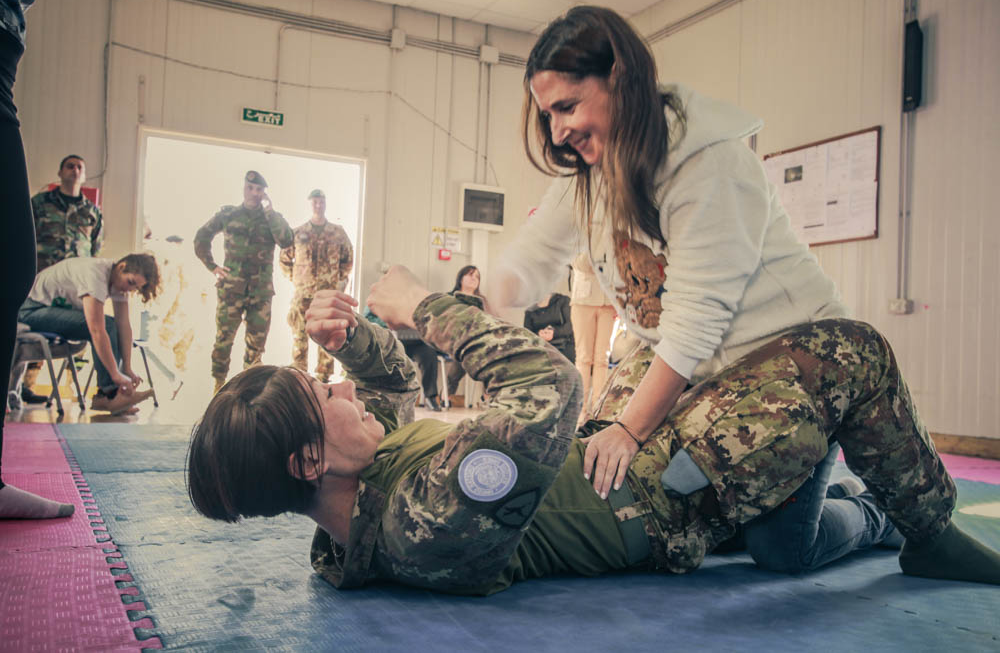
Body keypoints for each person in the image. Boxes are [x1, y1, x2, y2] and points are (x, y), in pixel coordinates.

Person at [186, 265, 1000, 594]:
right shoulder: (421, 523)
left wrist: (356, 338)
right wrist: (419, 305)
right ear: (307, 457)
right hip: (672, 489)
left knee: (649, 313)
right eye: (320, 389)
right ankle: (919, 525)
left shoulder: (363, 490)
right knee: (847, 351)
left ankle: (809, 474)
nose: (340, 387)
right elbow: (549, 383)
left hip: (619, 448)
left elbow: (394, 390)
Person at [488, 5, 936, 574]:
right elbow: (534, 254)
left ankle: (877, 514)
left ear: (620, 80)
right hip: (706, 372)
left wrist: (631, 429)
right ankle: (798, 487)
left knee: (781, 552)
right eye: (548, 113)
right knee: (693, 511)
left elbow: (697, 319)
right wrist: (481, 302)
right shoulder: (589, 174)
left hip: (794, 367)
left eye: (568, 107)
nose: (557, 131)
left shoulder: (708, 162)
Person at [0, 0, 76, 519]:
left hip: (5, 60)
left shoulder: (89, 217)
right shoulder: (44, 200)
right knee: (14, 269)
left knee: (10, 270)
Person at [18, 254, 161, 414]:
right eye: (131, 283)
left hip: (50, 312)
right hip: (30, 311)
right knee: (106, 325)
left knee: (112, 325)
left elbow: (124, 326)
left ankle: (109, 396)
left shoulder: (117, 282)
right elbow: (96, 330)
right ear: (122, 267)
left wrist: (126, 368)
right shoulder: (95, 274)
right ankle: (110, 394)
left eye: (135, 288)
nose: (130, 289)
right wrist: (115, 374)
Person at [194, 171, 293, 393]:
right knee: (223, 341)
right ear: (244, 188)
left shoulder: (271, 219)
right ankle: (218, 387)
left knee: (256, 347)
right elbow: (201, 237)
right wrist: (213, 267)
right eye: (251, 188)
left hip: (261, 292)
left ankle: (249, 393)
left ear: (264, 193)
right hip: (231, 290)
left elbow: (287, 240)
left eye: (259, 190)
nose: (255, 194)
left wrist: (270, 212)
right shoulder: (229, 215)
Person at [18, 153, 105, 405]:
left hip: (75, 286)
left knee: (80, 332)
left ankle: (71, 386)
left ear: (84, 175)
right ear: (60, 172)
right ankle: (25, 386)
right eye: (70, 166)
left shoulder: (92, 212)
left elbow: (95, 250)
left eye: (79, 167)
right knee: (35, 333)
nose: (75, 170)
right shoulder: (40, 203)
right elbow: (25, 237)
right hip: (41, 281)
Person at [279, 188, 354, 383]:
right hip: (303, 296)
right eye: (315, 202)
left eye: (321, 201)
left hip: (327, 296)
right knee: (299, 340)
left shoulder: (337, 233)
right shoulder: (298, 233)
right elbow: (284, 260)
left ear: (325, 204)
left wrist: (336, 281)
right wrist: (298, 280)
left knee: (327, 339)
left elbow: (347, 260)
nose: (318, 205)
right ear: (310, 204)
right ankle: (300, 381)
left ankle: (323, 380)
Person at [570, 252, 616, 417]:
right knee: (583, 358)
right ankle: (580, 413)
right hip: (583, 301)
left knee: (602, 359)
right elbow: (579, 263)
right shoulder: (581, 229)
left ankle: (598, 411)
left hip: (609, 301)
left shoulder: (615, 230)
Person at [444, 265, 490, 402]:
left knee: (488, 358)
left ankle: (488, 396)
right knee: (463, 355)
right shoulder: (450, 298)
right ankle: (447, 396)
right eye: (470, 275)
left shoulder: (482, 301)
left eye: (477, 277)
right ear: (461, 278)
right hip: (454, 340)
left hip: (477, 341)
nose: (473, 279)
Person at [523, 291, 575, 362]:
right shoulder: (530, 310)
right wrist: (539, 334)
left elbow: (571, 326)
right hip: (542, 348)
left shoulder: (563, 301)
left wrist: (554, 332)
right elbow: (527, 333)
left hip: (565, 346)